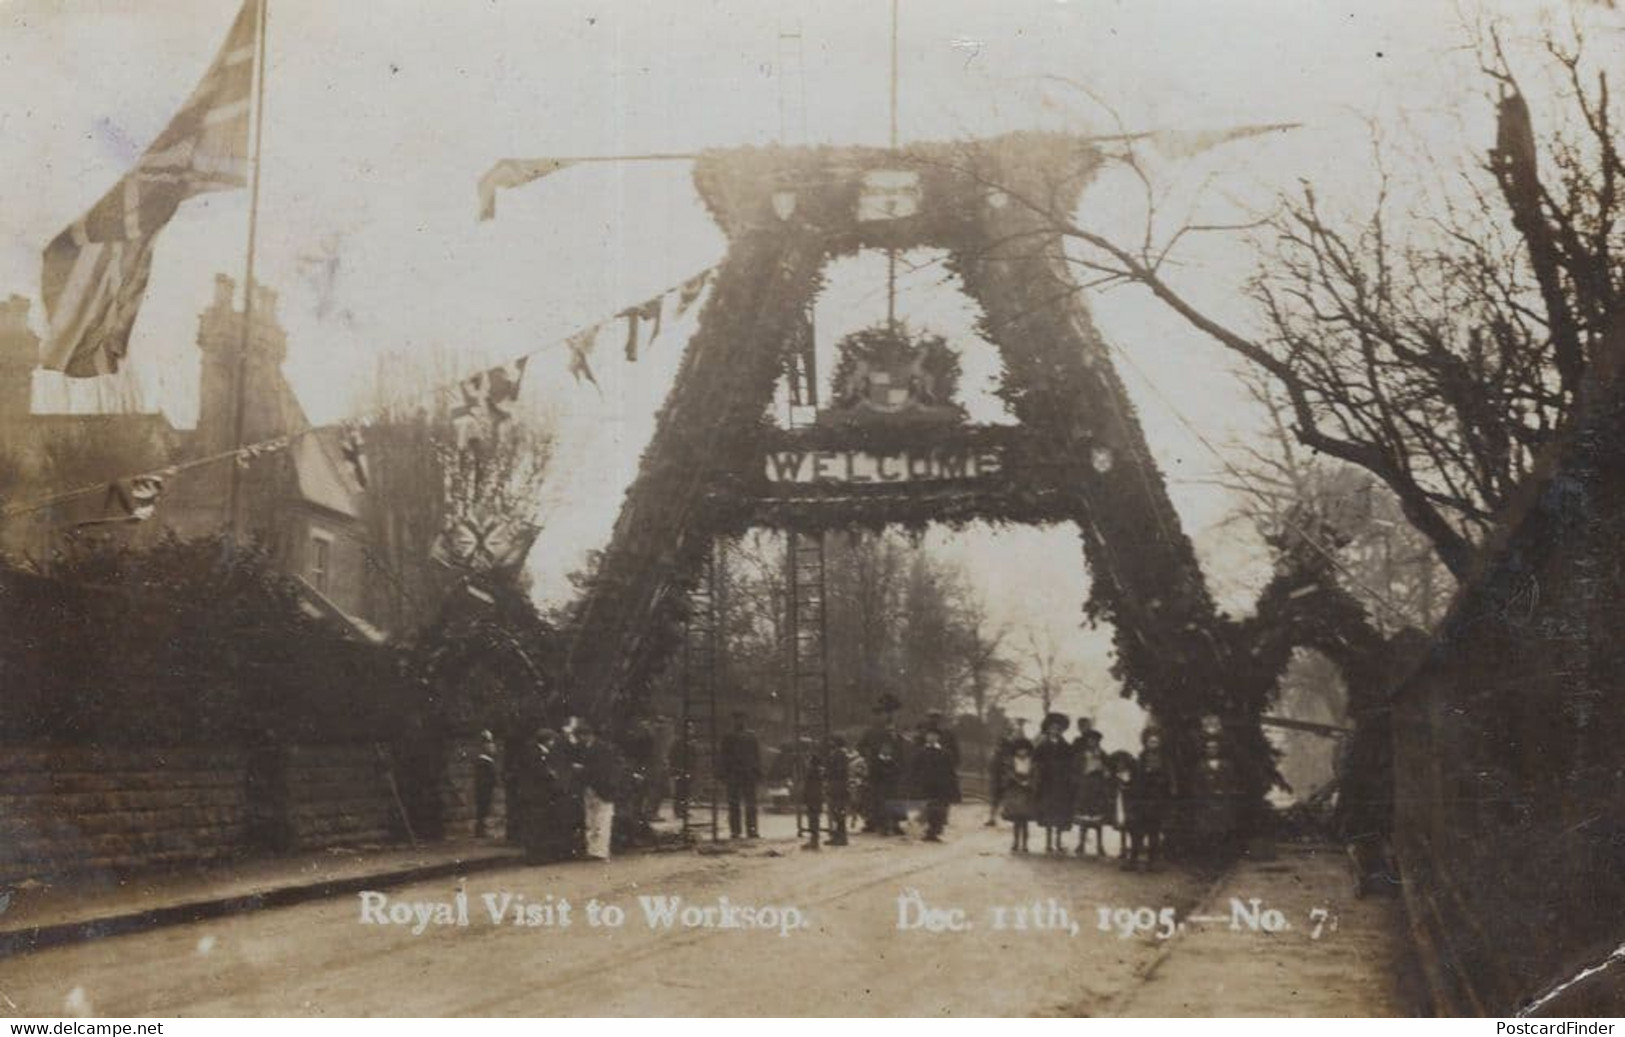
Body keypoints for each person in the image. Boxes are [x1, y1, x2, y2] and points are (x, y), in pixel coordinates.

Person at [517, 728, 575, 864]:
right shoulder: (535, 753)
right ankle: (534, 857)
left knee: (540, 826)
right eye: (552, 740)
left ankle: (539, 856)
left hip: (540, 795)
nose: (553, 743)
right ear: (547, 741)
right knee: (536, 826)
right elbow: (536, 772)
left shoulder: (541, 752)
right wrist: (550, 774)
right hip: (535, 796)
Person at [858, 694, 907, 835]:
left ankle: (895, 823)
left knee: (895, 796)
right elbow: (860, 747)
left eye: (886, 713)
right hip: (876, 770)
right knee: (877, 797)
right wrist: (869, 757)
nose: (883, 717)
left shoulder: (895, 731)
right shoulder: (870, 732)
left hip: (894, 769)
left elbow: (901, 748)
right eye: (880, 714)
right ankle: (877, 823)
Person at [577, 721, 620, 861]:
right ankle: (593, 849)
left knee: (602, 820)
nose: (580, 740)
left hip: (601, 788)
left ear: (588, 735)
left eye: (581, 736)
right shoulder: (591, 748)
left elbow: (602, 770)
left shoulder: (602, 749)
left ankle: (600, 851)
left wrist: (583, 770)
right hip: (591, 788)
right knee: (591, 821)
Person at [1034, 713, 1075, 854]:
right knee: (1048, 813)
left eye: (1058, 728)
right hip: (1047, 783)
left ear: (1062, 730)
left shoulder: (1066, 746)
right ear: (1048, 729)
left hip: (1061, 785)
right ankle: (1048, 843)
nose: (1055, 731)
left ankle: (1058, 841)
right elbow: (1036, 761)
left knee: (1060, 813)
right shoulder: (1042, 746)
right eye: (1053, 728)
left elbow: (1070, 763)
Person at [718, 711, 762, 839]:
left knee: (751, 804)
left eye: (742, 719)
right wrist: (724, 774)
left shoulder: (751, 736)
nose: (739, 722)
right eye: (737, 719)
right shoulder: (728, 737)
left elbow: (756, 756)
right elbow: (723, 756)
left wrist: (757, 772)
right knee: (734, 804)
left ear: (745, 720)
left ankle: (752, 830)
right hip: (734, 774)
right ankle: (735, 831)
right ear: (733, 721)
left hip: (748, 774)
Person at [1072, 729, 1113, 857]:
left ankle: (1100, 845)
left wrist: (1106, 772)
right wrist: (1079, 780)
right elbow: (1075, 769)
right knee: (1084, 816)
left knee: (1097, 817)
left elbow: (1110, 766)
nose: (1092, 742)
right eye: (1090, 740)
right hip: (1085, 786)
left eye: (1095, 740)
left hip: (1098, 786)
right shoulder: (1081, 755)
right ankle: (1081, 843)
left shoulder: (1102, 754)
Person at [913, 729, 959, 842]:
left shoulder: (945, 753)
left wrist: (952, 785)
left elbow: (950, 771)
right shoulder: (920, 752)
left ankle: (934, 831)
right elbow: (914, 768)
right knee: (927, 807)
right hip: (925, 784)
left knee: (939, 809)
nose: (932, 738)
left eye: (934, 736)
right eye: (929, 735)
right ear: (926, 737)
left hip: (941, 785)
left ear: (938, 738)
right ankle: (929, 830)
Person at [986, 719, 1029, 826]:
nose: (1009, 733)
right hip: (998, 773)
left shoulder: (1012, 745)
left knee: (1009, 796)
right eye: (1008, 731)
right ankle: (992, 818)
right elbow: (993, 761)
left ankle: (1009, 816)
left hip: (1007, 772)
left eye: (1010, 731)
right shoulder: (1000, 746)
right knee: (996, 797)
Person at [1001, 740, 1037, 852]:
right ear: (1015, 751)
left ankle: (1025, 844)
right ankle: (1015, 842)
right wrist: (1017, 781)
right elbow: (1008, 773)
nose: (1022, 752)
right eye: (1019, 750)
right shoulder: (1012, 761)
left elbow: (1035, 775)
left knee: (1025, 820)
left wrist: (1029, 783)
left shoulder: (1031, 762)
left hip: (1026, 792)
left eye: (1024, 749)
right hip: (1015, 791)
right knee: (1016, 819)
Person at [825, 734, 850, 846]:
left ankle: (839, 837)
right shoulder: (842, 754)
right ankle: (839, 836)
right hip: (840, 786)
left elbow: (838, 770)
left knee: (837, 812)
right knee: (838, 812)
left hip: (837, 786)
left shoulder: (839, 754)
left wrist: (828, 772)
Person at [800, 739, 824, 851]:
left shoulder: (811, 771)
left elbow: (807, 787)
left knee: (812, 820)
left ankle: (813, 842)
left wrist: (804, 798)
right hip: (817, 797)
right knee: (815, 819)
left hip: (811, 798)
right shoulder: (818, 771)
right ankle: (814, 841)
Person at [474, 730, 498, 838]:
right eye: (490, 746)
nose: (493, 748)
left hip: (487, 788)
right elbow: (483, 778)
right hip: (483, 788)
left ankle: (482, 830)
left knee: (485, 808)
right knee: (483, 809)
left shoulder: (488, 761)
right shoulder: (483, 762)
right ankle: (481, 831)